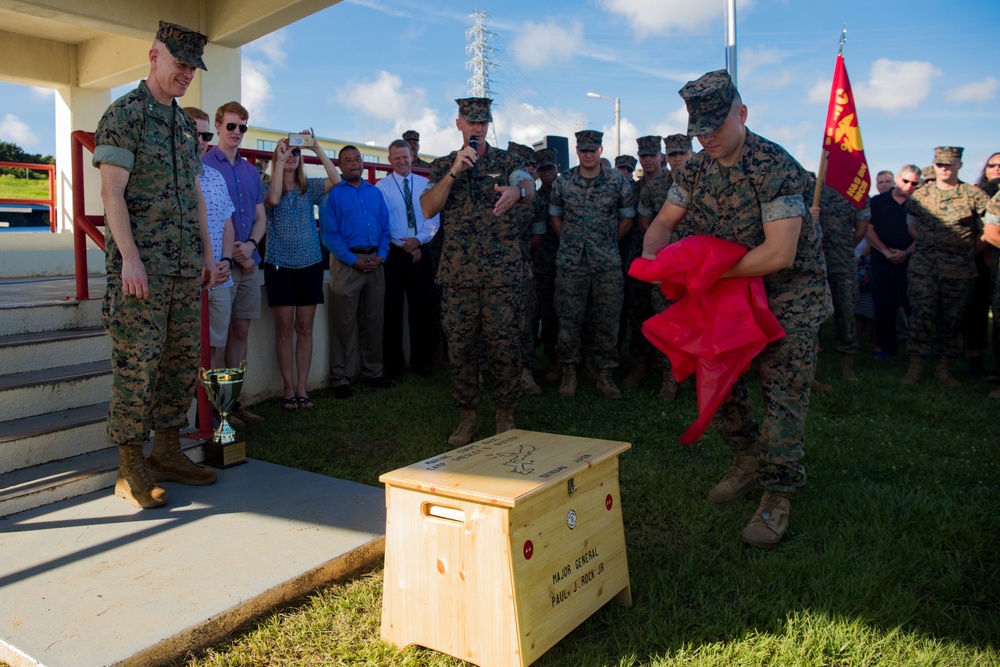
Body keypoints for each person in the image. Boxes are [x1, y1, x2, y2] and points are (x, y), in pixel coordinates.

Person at [643, 70, 830, 548]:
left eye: (717, 126)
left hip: (789, 296)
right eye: (699, 130)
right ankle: (746, 460)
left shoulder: (775, 166)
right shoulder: (695, 169)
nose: (707, 137)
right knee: (719, 382)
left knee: (782, 393)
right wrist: (653, 257)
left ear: (741, 114)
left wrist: (703, 272)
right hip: (727, 296)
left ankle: (777, 494)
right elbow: (663, 223)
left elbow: (779, 254)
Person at [93, 21, 219, 509]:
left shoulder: (185, 124)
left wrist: (207, 254)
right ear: (154, 57)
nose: (186, 73)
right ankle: (130, 465)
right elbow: (111, 192)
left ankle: (168, 450)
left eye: (192, 67)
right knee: (137, 365)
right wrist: (129, 258)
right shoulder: (125, 115)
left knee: (181, 363)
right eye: (180, 63)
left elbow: (194, 195)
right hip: (142, 269)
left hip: (185, 266)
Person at [420, 97, 535, 445]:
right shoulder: (443, 165)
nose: (478, 129)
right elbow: (427, 208)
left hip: (502, 275)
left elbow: (530, 186)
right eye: (471, 122)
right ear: (459, 125)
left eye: (483, 122)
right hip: (458, 275)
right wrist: (455, 172)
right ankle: (467, 417)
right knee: (461, 348)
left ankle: (505, 414)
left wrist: (517, 191)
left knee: (504, 347)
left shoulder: (507, 160)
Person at [550, 130, 634, 400]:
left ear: (600, 150)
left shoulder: (617, 182)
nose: (588, 154)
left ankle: (605, 375)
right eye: (583, 149)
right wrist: (574, 242)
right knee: (568, 319)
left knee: (608, 320)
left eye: (593, 149)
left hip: (606, 262)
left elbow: (626, 219)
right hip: (571, 261)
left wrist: (604, 242)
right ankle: (569, 372)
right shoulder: (563, 182)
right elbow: (556, 218)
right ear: (577, 151)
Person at [263, 132, 341, 409]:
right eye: (287, 151)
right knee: (284, 329)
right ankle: (287, 389)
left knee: (305, 328)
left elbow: (336, 180)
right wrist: (279, 162)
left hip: (310, 264)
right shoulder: (267, 185)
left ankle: (302, 388)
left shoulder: (311, 187)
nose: (293, 156)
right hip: (278, 264)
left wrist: (317, 146)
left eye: (297, 153)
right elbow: (272, 200)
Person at [902, 147, 990, 386]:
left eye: (949, 164)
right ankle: (916, 367)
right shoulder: (921, 195)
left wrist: (968, 250)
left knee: (951, 318)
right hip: (924, 267)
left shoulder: (973, 195)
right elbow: (912, 225)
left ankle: (943, 368)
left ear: (959, 165)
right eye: (939, 164)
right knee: (921, 315)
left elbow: (986, 231)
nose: (943, 168)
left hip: (959, 269)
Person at [202, 100, 266, 424]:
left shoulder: (250, 170)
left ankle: (234, 401)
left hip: (248, 263)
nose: (237, 132)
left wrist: (251, 246)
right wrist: (229, 254)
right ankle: (216, 407)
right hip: (221, 267)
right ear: (217, 126)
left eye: (242, 127)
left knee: (241, 333)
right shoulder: (204, 164)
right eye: (231, 126)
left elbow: (260, 216)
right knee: (217, 339)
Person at [321, 145, 392, 399]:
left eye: (358, 159)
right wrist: (353, 260)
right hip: (346, 263)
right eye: (348, 160)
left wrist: (382, 255)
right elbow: (329, 234)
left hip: (375, 262)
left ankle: (373, 373)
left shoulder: (375, 193)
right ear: (340, 166)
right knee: (343, 323)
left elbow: (386, 228)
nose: (354, 163)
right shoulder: (333, 194)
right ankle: (341, 377)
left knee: (374, 321)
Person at [635, 133, 692, 402]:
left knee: (702, 322)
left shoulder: (707, 184)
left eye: (682, 152)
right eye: (672, 154)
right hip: (668, 267)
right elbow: (646, 223)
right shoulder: (654, 188)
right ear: (664, 157)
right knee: (667, 322)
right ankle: (670, 379)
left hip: (700, 267)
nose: (677, 158)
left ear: (691, 153)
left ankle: (702, 377)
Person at [376, 138, 439, 380]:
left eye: (406, 156)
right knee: (392, 311)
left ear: (412, 156)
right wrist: (406, 244)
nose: (402, 161)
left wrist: (419, 241)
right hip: (395, 254)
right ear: (390, 160)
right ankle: (394, 366)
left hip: (422, 253)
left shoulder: (426, 185)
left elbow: (432, 218)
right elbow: (385, 222)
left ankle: (421, 362)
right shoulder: (382, 187)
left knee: (421, 309)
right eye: (397, 158)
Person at [184, 106, 235, 369]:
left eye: (206, 137)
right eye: (194, 134)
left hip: (219, 278)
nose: (201, 142)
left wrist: (225, 260)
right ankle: (192, 410)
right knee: (187, 351)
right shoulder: (166, 176)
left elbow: (228, 223)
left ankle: (212, 409)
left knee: (214, 349)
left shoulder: (215, 177)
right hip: (186, 280)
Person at [811, 183, 868, 380]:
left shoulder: (855, 191)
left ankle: (847, 365)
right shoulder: (813, 190)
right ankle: (811, 369)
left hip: (843, 263)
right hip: (814, 263)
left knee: (846, 313)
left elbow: (861, 229)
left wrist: (844, 247)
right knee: (812, 317)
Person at [865, 166, 920, 359]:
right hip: (883, 262)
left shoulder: (920, 203)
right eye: (905, 181)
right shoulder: (877, 202)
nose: (909, 186)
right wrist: (886, 252)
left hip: (912, 264)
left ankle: (918, 349)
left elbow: (924, 232)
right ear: (897, 179)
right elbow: (868, 229)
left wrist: (906, 252)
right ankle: (886, 348)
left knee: (914, 306)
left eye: (914, 183)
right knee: (884, 306)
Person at [622, 136, 661, 390]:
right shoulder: (632, 190)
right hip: (638, 259)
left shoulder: (674, 186)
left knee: (667, 315)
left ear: (661, 156)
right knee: (639, 315)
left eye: (651, 155)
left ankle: (668, 370)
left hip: (667, 260)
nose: (647, 160)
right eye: (643, 155)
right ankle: (641, 364)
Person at [507, 141, 546, 396]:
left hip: (522, 266)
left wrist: (520, 254)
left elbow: (537, 234)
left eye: (530, 164)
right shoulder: (493, 189)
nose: (526, 169)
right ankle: (484, 370)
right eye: (521, 163)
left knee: (526, 320)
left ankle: (525, 372)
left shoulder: (534, 198)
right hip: (490, 266)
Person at [962, 152, 1000, 375]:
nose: (996, 168)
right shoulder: (974, 193)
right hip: (978, 260)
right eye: (992, 165)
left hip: (996, 260)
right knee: (976, 310)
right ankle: (974, 358)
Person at [531, 148, 562, 381]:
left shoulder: (567, 193)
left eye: (550, 169)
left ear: (557, 169)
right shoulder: (535, 197)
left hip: (570, 261)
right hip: (543, 264)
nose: (547, 174)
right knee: (548, 312)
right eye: (543, 170)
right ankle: (553, 360)